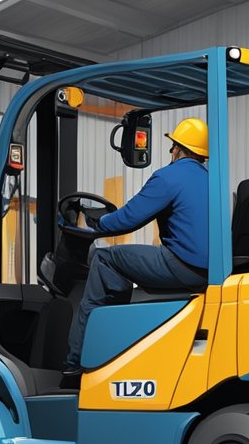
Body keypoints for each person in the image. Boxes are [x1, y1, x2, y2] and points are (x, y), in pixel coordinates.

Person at [62, 117, 210, 386]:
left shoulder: (169, 177)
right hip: (207, 271)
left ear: (177, 148)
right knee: (121, 260)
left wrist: (96, 223)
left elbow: (129, 218)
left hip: (181, 265)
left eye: (172, 149)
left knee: (105, 258)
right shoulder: (211, 181)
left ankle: (76, 364)